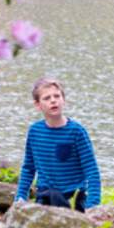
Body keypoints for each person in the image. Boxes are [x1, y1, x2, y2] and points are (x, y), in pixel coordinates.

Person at [14, 77, 101, 210]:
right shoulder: (35, 131)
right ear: (38, 105)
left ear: (63, 100)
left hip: (73, 198)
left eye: (57, 96)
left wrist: (92, 205)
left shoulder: (76, 131)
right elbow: (28, 168)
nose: (53, 100)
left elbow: (91, 170)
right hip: (45, 197)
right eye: (47, 98)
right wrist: (20, 197)